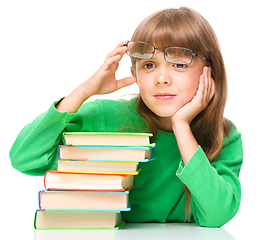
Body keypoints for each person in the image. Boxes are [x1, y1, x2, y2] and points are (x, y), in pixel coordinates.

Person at [9, 7, 243, 227]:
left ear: (210, 71)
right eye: (149, 65)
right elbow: (25, 159)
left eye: (179, 64)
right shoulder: (109, 117)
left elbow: (217, 215)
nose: (162, 78)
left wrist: (181, 126)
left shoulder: (224, 137)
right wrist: (83, 92)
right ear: (135, 74)